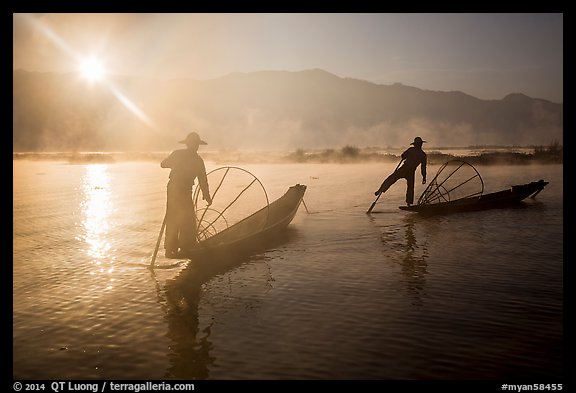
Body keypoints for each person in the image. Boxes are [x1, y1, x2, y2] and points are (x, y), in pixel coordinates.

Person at [161, 132, 212, 258]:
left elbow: (203, 179)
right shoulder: (180, 155)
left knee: (186, 218)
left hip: (183, 190)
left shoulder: (196, 160)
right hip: (175, 189)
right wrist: (175, 163)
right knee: (175, 217)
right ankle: (172, 248)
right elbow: (163, 164)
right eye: (193, 144)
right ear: (189, 144)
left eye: (196, 144)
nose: (195, 146)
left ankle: (184, 247)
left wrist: (206, 194)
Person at [375, 136, 427, 206]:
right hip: (405, 169)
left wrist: (424, 177)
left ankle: (408, 203)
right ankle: (380, 190)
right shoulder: (416, 152)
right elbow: (403, 155)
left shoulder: (421, 154)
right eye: (418, 144)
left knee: (410, 187)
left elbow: (423, 167)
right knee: (392, 178)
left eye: (419, 144)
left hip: (410, 171)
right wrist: (404, 156)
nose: (419, 145)